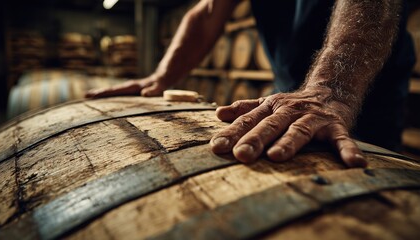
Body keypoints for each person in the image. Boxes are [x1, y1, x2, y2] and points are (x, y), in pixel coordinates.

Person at [86, 0, 416, 168]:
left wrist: (332, 90)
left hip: (361, 88)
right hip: (292, 87)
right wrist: (161, 78)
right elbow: (207, 13)